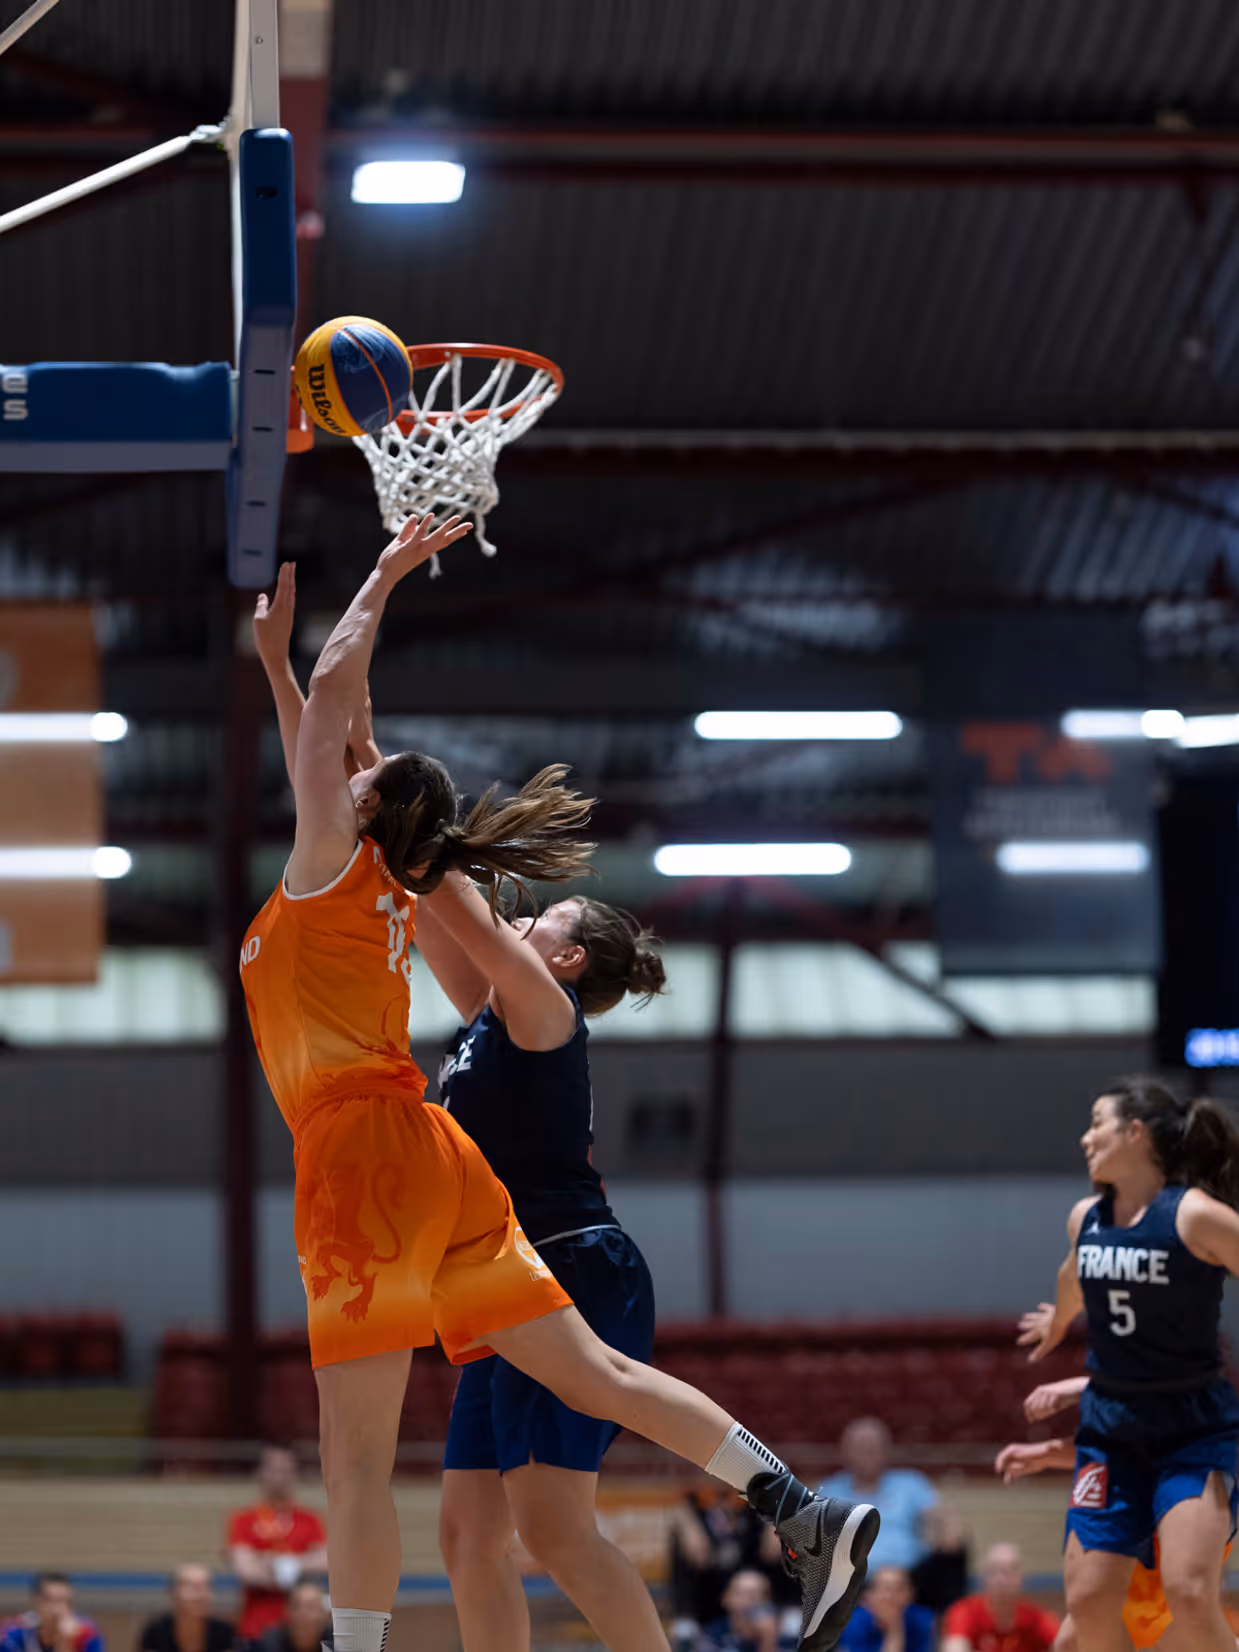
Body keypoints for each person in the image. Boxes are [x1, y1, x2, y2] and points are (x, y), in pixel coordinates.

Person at [240, 526, 880, 1652]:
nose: (342, 769)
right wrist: (284, 676)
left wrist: (373, 585)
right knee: (489, 1510)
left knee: (362, 1465)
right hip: (449, 1175)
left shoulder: (469, 951)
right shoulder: (388, 885)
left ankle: (355, 1643)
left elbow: (339, 715)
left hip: (386, 1160)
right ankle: (794, 1505)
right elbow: (342, 741)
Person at [1017, 1076, 1239, 1652]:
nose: (1085, 1138)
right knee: (1089, 1605)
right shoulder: (1086, 1218)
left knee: (1190, 1592)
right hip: (1110, 1431)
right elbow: (1073, 1274)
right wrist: (1059, 1318)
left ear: (1135, 1132)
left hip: (1193, 1429)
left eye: (1098, 1123)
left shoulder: (1194, 1216)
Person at [819, 1420, 966, 1611]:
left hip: (911, 1575)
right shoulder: (830, 1490)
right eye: (861, 1447)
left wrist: (948, 1536)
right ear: (845, 1452)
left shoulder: (910, 1483)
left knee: (952, 1557)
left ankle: (949, 1620)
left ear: (887, 1450)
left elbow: (943, 1516)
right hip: (852, 1579)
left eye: (874, 1447)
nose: (868, 1454)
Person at [668, 1485, 794, 1650]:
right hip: (709, 1600)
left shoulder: (760, 1506)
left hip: (765, 1590)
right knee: (684, 1634)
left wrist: (768, 1640)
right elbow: (699, 1557)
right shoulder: (694, 1508)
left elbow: (772, 1551)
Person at [226, 1446, 326, 1644]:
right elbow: (247, 1571)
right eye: (274, 1470)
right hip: (256, 1628)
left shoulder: (310, 1519)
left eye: (286, 1470)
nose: (280, 1476)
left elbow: (324, 1562)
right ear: (261, 1473)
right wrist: (300, 1568)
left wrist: (275, 1563)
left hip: (302, 1633)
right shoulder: (243, 1519)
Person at [940, 1544, 1057, 1652]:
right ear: (984, 1576)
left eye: (1009, 1571)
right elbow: (954, 1647)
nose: (1002, 1579)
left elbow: (1063, 1644)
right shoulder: (964, 1611)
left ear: (1021, 1577)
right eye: (994, 1571)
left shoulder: (1036, 1618)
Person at [837, 1567, 935, 1652]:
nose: (890, 1597)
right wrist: (894, 1630)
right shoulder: (852, 1621)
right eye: (885, 1588)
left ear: (911, 1593)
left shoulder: (923, 1619)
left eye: (899, 1589)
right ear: (868, 1595)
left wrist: (895, 1627)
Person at [138, 1566, 234, 1652]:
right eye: (190, 1586)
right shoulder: (156, 1632)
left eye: (205, 1586)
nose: (199, 1594)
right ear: (173, 1592)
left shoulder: (224, 1632)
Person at [0, 1574, 103, 1652]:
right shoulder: (14, 1633)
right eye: (49, 1600)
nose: (56, 1609)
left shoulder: (86, 1635)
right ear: (35, 1600)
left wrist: (65, 1643)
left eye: (62, 1601)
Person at [696, 1570, 791, 1652]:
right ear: (726, 1598)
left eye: (759, 1594)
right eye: (742, 1593)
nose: (752, 1600)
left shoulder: (785, 1637)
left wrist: (768, 1641)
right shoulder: (713, 1635)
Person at [255, 1583, 332, 1652]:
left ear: (324, 1614)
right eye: (296, 1606)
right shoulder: (272, 1642)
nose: (303, 1613)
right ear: (286, 1611)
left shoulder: (333, 1642)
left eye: (311, 1607)